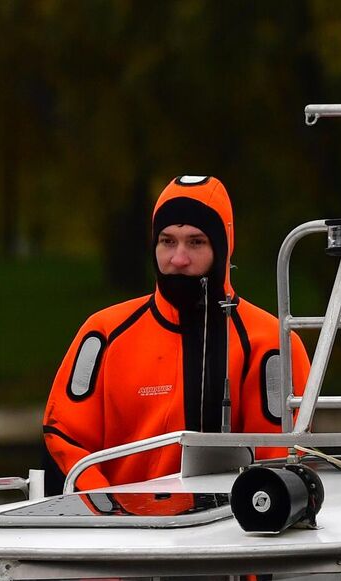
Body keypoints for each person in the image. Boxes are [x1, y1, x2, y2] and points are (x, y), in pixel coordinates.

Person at [40, 176, 310, 492]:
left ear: (222, 248)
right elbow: (64, 439)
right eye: (167, 241)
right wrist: (106, 512)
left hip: (232, 531)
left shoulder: (271, 344)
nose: (178, 259)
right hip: (119, 530)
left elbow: (281, 459)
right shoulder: (104, 334)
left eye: (196, 242)